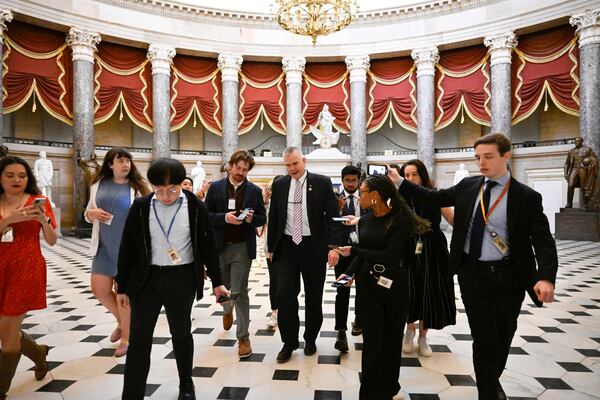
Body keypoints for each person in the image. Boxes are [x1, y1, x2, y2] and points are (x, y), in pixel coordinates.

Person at [389, 133, 558, 400]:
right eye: (478, 157)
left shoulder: (526, 197)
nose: (481, 162)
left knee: (504, 335)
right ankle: (488, 392)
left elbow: (543, 240)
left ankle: (491, 380)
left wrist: (546, 277)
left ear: (506, 155)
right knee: (484, 337)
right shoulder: (469, 187)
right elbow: (434, 196)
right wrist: (400, 182)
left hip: (509, 276)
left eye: (488, 156)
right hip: (472, 274)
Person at [116, 158, 228, 400]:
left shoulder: (195, 207)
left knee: (181, 333)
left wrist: (218, 282)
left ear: (181, 184)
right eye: (160, 190)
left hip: (181, 278)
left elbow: (208, 247)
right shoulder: (141, 207)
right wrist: (122, 286)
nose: (166, 196)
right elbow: (128, 248)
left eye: (173, 189)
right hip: (147, 279)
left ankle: (186, 385)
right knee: (140, 338)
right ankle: (132, 393)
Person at [332, 174, 427, 400]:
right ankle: (369, 392)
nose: (359, 196)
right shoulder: (364, 220)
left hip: (396, 287)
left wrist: (353, 251)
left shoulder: (400, 219)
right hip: (368, 287)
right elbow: (363, 254)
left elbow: (390, 256)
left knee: (392, 341)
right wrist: (348, 273)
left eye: (362, 192)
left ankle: (390, 387)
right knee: (372, 343)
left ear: (374, 196)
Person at [267, 147, 341, 363]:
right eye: (288, 165)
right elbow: (274, 217)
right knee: (286, 296)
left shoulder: (322, 182)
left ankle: (310, 339)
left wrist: (333, 247)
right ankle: (288, 343)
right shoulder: (280, 184)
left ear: (304, 161)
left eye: (295, 164)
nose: (292, 169)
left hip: (314, 247)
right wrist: (271, 248)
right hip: (288, 247)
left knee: (313, 295)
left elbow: (333, 216)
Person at [0, 156, 57, 400]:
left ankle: (1, 389)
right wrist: (9, 220)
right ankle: (39, 353)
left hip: (26, 269)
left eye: (22, 176)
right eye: (10, 175)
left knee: (7, 336)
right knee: (8, 330)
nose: (17, 180)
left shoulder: (37, 201)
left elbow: (53, 240)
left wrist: (42, 220)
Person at [84, 147, 150, 357]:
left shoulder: (138, 186)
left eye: (128, 160)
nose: (125, 164)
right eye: (120, 161)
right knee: (100, 289)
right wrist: (91, 213)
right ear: (110, 164)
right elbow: (88, 212)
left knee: (124, 296)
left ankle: (127, 338)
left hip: (127, 250)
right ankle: (122, 323)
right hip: (104, 245)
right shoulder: (97, 184)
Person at [204, 150, 266, 359]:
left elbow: (261, 218)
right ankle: (226, 309)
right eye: (237, 168)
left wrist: (250, 219)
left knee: (240, 291)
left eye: (245, 169)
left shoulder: (255, 191)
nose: (240, 172)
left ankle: (243, 338)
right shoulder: (215, 188)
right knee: (223, 288)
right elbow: (207, 216)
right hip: (219, 246)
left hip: (242, 247)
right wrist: (225, 218)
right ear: (230, 166)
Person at [395, 160, 456, 357]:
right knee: (409, 290)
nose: (411, 179)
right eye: (407, 175)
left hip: (433, 249)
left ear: (422, 175)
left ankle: (423, 336)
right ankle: (409, 330)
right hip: (408, 248)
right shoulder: (400, 197)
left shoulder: (434, 195)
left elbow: (453, 219)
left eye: (415, 174)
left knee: (429, 291)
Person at [331, 165, 364, 352]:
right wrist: (334, 249)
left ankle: (359, 320)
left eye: (354, 180)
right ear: (342, 180)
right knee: (342, 289)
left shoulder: (366, 197)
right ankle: (341, 331)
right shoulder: (335, 199)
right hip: (343, 252)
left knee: (363, 288)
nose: (351, 183)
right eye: (347, 180)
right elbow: (330, 225)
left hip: (362, 251)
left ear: (358, 180)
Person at [262, 175, 283, 329]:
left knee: (288, 282)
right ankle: (274, 311)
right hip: (272, 249)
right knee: (274, 280)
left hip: (290, 248)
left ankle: (285, 310)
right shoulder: (268, 205)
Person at [564, 137, 598, 209]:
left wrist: (589, 160)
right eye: (575, 141)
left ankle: (585, 204)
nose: (576, 142)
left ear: (582, 141)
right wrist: (565, 173)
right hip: (574, 169)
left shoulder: (587, 149)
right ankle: (569, 203)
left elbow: (595, 159)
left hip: (583, 169)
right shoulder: (571, 151)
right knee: (570, 185)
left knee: (584, 186)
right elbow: (567, 163)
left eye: (578, 141)